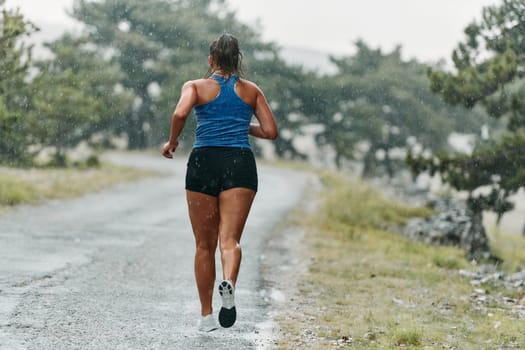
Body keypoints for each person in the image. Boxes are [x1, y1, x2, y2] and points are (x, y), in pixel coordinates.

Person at [161, 33, 278, 332]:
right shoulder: (251, 91)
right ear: (237, 59)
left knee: (204, 245)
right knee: (230, 240)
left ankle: (206, 316)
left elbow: (180, 112)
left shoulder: (195, 86)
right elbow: (270, 131)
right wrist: (239, 124)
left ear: (211, 60)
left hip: (204, 161)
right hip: (239, 162)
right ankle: (229, 282)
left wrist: (172, 142)